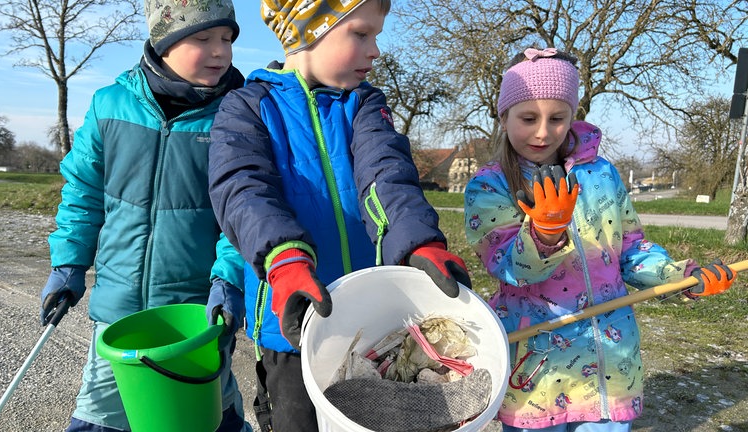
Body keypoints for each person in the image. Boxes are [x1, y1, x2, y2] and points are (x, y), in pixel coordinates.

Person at [207, 1, 472, 430]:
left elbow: (385, 175)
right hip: (291, 327)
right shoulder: (247, 107)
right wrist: (284, 260)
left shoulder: (364, 104)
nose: (376, 51)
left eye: (376, 36)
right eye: (361, 34)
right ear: (309, 31)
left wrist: (417, 242)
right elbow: (243, 192)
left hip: (369, 324)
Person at [464, 47, 736, 432]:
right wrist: (543, 235)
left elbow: (630, 249)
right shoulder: (489, 187)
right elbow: (509, 268)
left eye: (557, 118)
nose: (543, 132)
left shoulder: (601, 174)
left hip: (609, 361)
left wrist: (681, 275)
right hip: (538, 365)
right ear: (503, 115)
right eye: (528, 118)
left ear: (572, 116)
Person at [38, 0, 253, 430]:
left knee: (205, 415)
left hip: (194, 314)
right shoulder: (109, 105)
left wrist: (229, 278)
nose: (220, 52)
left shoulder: (236, 114)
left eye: (227, 39)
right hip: (118, 312)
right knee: (99, 417)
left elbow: (241, 211)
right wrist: (68, 263)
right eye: (203, 38)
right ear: (164, 42)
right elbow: (83, 193)